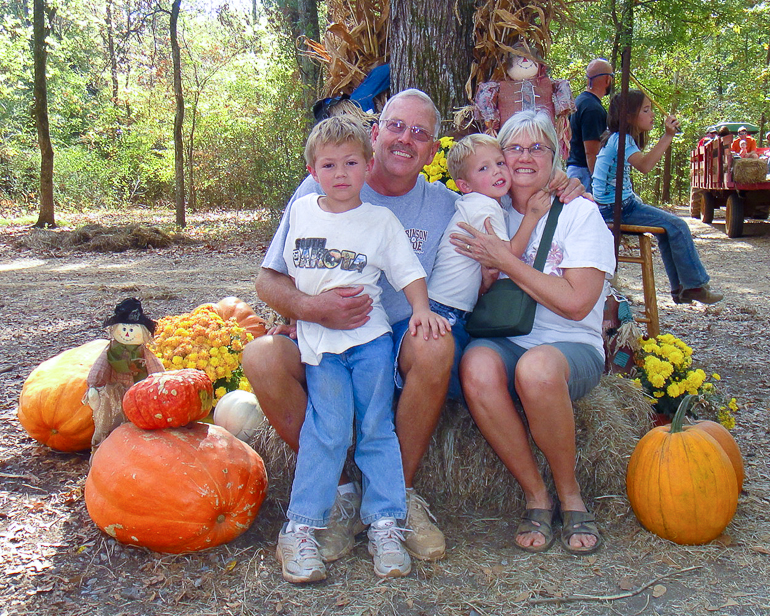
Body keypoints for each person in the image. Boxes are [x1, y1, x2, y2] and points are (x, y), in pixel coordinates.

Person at [243, 88, 586, 567]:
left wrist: (566, 183)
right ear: (375, 131)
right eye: (397, 126)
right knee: (259, 357)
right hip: (323, 332)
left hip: (393, 338)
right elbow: (267, 279)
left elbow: (507, 204)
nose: (406, 139)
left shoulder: (446, 204)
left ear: (431, 151)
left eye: (421, 134)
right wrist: (310, 307)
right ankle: (341, 494)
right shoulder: (321, 189)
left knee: (434, 343)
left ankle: (394, 500)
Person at [275, 116, 450, 583]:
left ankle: (386, 524)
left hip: (370, 342)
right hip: (321, 348)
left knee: (376, 429)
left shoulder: (379, 220)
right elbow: (284, 276)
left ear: (367, 165)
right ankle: (301, 529)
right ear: (312, 171)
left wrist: (420, 309)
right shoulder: (302, 212)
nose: (340, 173)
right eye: (329, 165)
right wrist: (297, 313)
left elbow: (407, 270)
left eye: (351, 163)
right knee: (327, 432)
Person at [451, 109, 616, 555]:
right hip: (508, 337)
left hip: (570, 346)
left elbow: (577, 301)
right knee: (476, 364)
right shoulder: (490, 208)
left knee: (537, 369)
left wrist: (506, 262)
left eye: (536, 147)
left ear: (555, 155)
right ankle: (535, 495)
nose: (524, 158)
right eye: (513, 148)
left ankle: (570, 495)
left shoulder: (579, 213)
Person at [592, 90, 723, 305]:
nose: (652, 114)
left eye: (651, 108)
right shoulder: (621, 139)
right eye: (646, 110)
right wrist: (668, 135)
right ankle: (696, 285)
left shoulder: (617, 138)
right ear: (627, 116)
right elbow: (645, 166)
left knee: (667, 231)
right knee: (678, 225)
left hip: (618, 204)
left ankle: (680, 289)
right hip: (615, 209)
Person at [428, 133, 546, 351]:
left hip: (443, 303)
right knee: (447, 377)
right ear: (465, 185)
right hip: (447, 309)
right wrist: (532, 216)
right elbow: (506, 256)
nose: (496, 171)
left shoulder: (478, 202)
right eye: (483, 168)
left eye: (500, 163)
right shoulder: (485, 206)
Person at [566, 58, 614, 191]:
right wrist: (599, 182)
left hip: (575, 171)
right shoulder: (593, 109)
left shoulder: (580, 101)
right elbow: (592, 152)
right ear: (607, 79)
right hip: (584, 174)